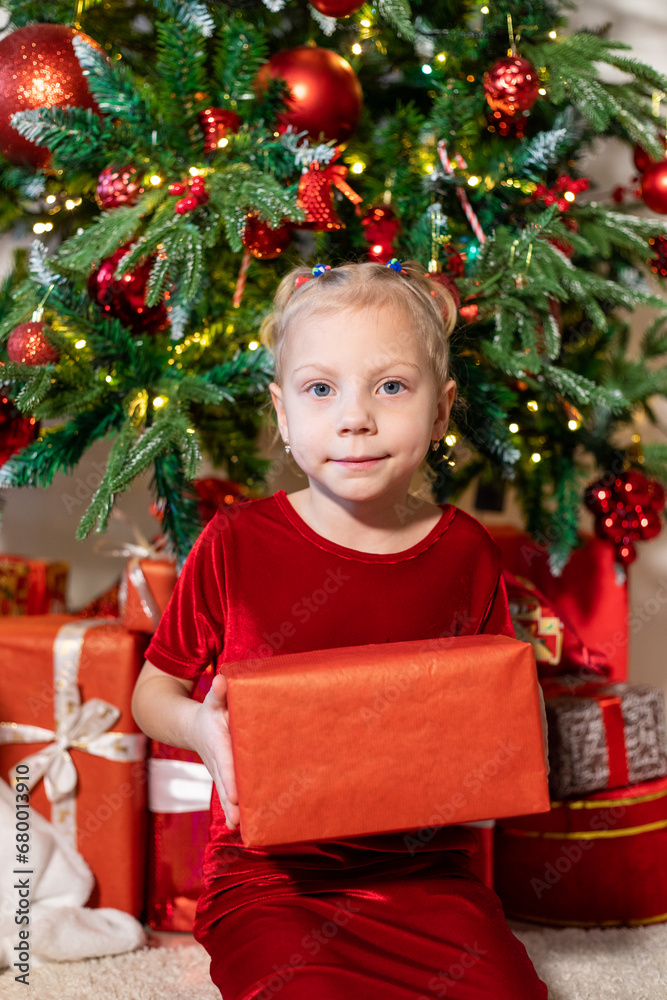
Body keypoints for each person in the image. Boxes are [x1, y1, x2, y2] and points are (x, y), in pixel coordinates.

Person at [132, 259, 549, 1000]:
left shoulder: (463, 551)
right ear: (284, 414)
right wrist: (201, 726)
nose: (354, 416)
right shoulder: (234, 541)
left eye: (390, 387)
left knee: (505, 992)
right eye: (321, 390)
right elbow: (152, 695)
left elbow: (494, 718)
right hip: (271, 879)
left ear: (442, 411)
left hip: (424, 874)